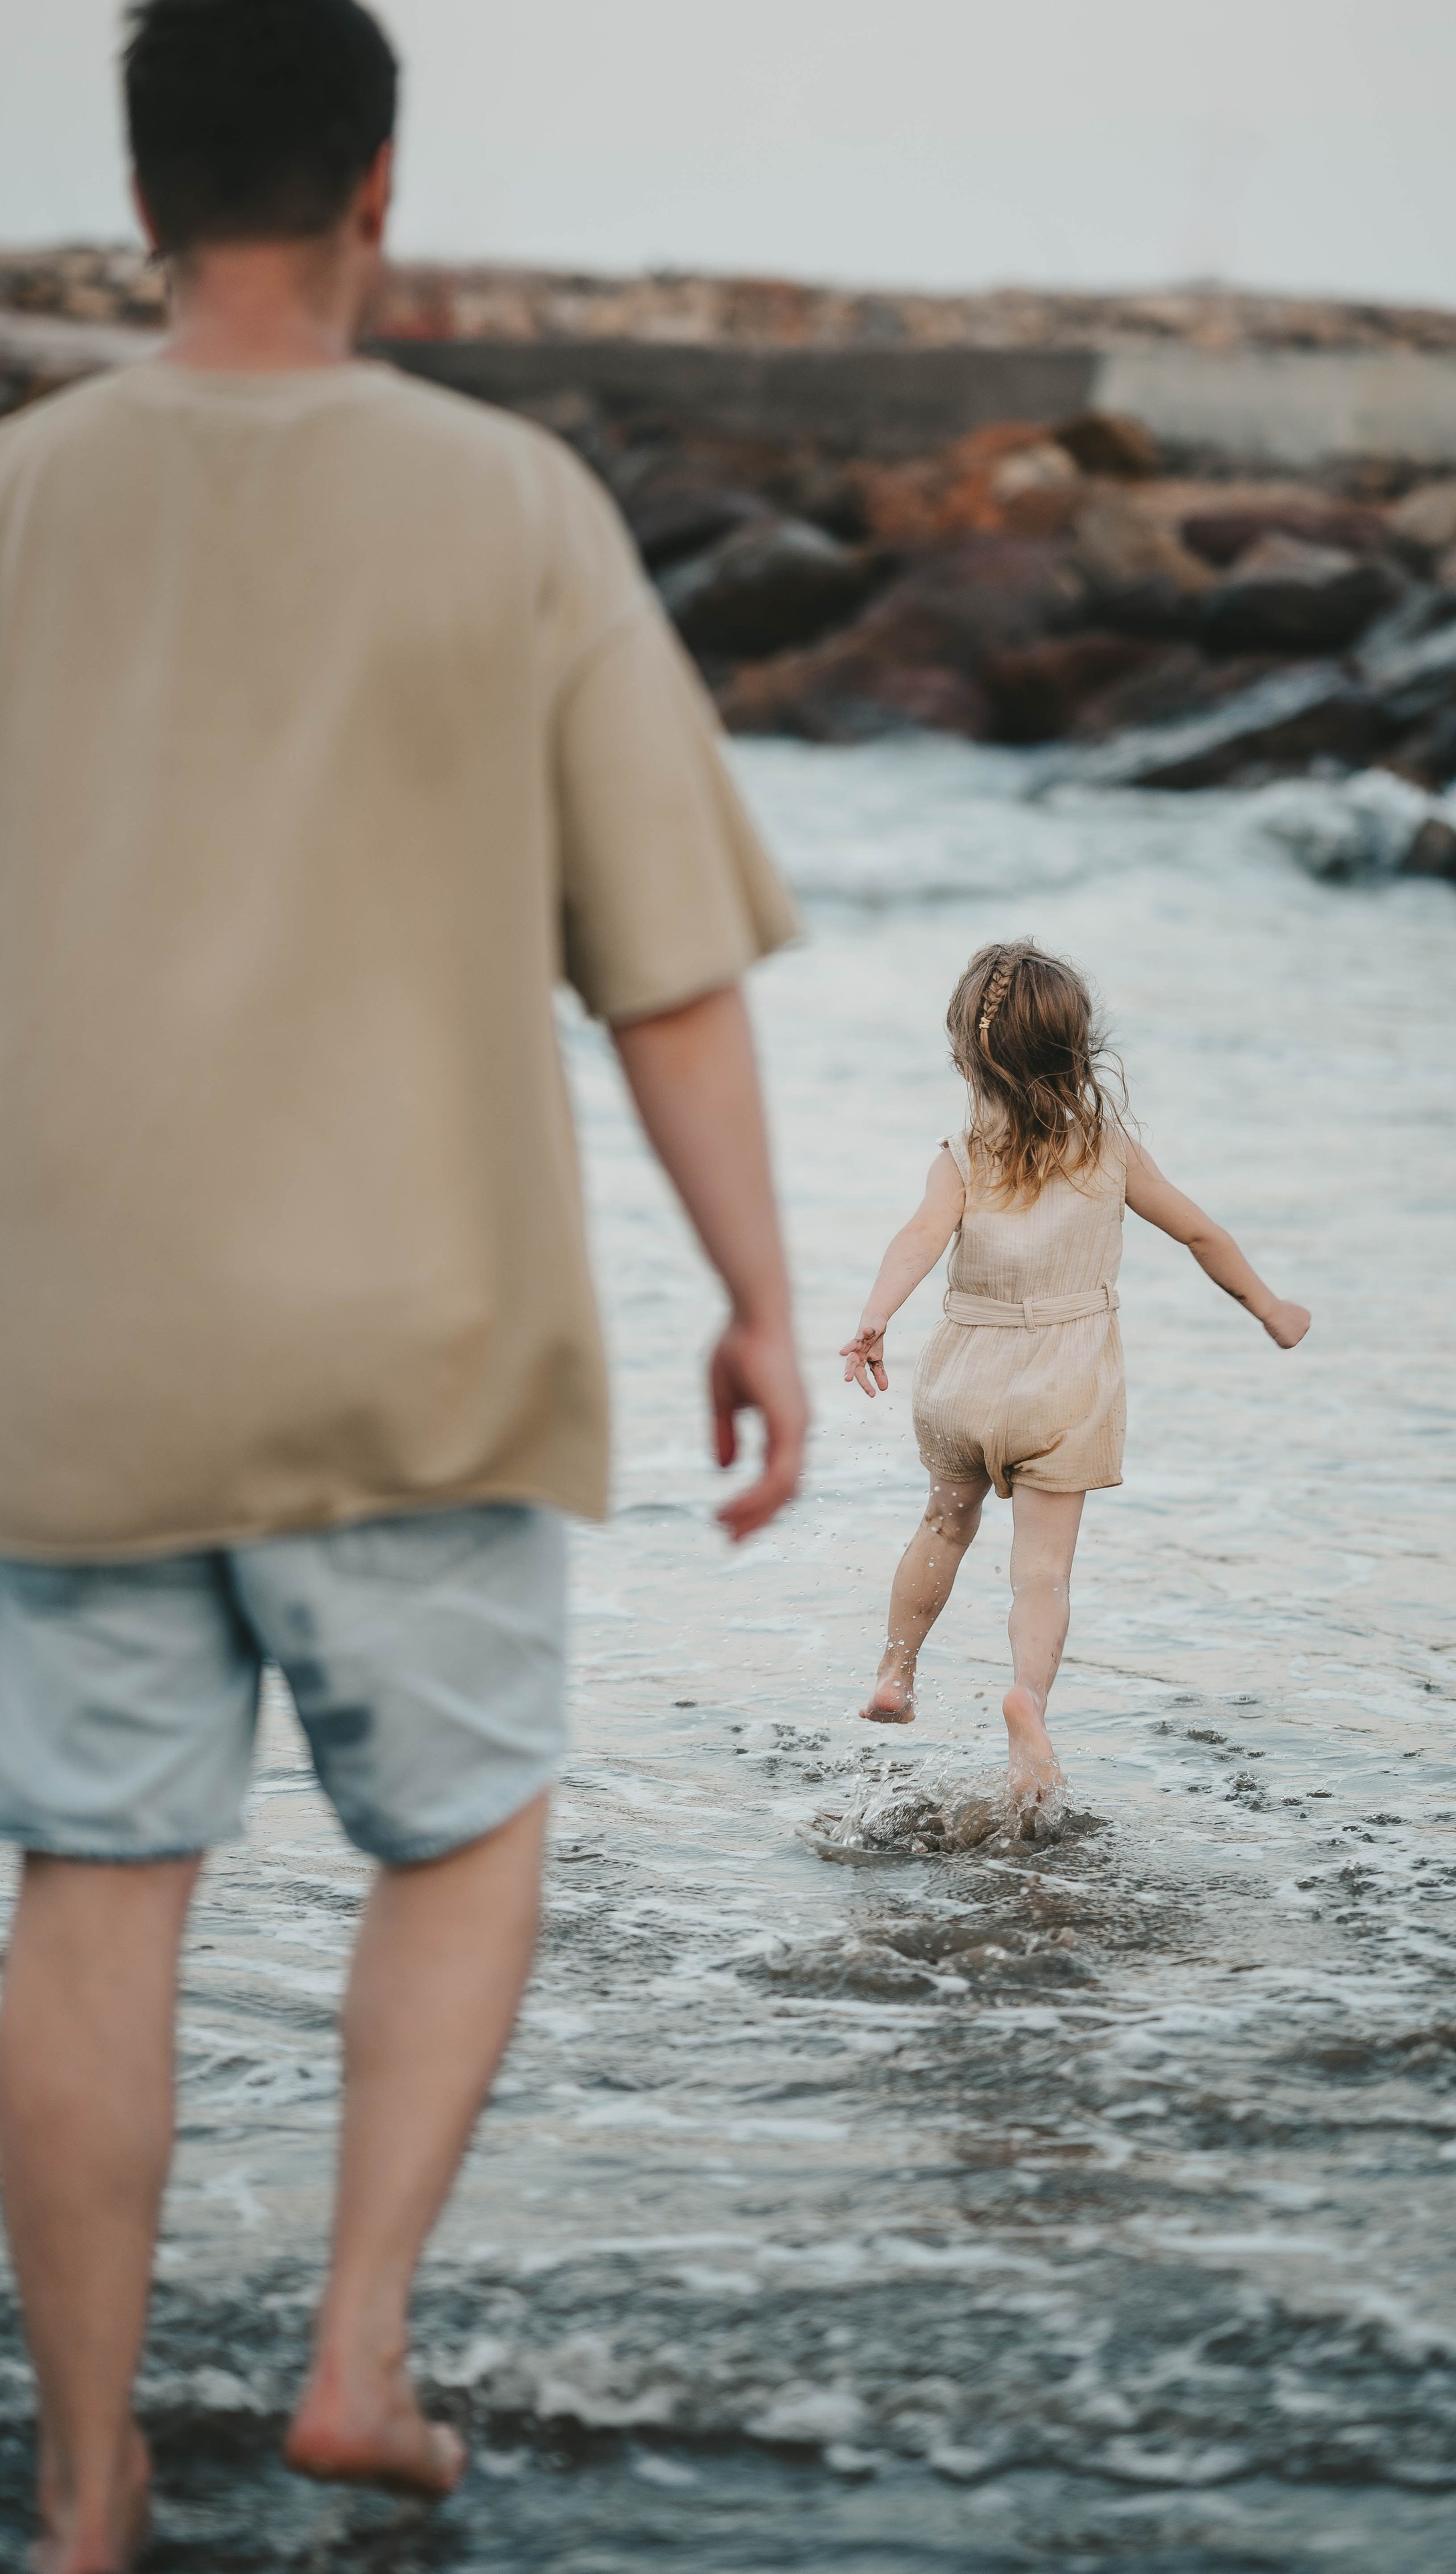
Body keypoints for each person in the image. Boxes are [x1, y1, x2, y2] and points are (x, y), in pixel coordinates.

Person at [0, 3, 808, 2567]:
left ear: (144, 199)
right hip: (416, 1346)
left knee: (94, 1886)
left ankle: (90, 2477)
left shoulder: (14, 500)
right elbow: (664, 968)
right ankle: (359, 2348)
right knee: (456, 1836)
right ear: (375, 190)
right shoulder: (514, 506)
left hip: (75, 1352)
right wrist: (761, 1297)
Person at [841, 941, 1308, 1796]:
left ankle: (894, 1672)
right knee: (1043, 1571)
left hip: (960, 1378)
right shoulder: (1108, 1149)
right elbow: (1200, 1233)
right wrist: (1271, 1310)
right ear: (1077, 1049)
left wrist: (874, 1318)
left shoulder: (960, 1153)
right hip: (1064, 1387)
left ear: (966, 1052)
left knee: (944, 1525)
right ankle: (1028, 1705)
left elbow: (916, 1239)